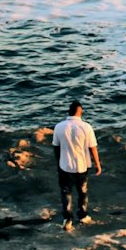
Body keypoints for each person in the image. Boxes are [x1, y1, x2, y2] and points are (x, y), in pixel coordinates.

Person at [52, 99, 101, 231]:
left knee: (66, 193)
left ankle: (67, 219)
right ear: (80, 112)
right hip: (82, 165)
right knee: (82, 192)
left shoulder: (59, 127)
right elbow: (93, 147)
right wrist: (98, 164)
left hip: (64, 165)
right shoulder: (86, 127)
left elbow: (56, 147)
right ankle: (82, 215)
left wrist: (58, 163)